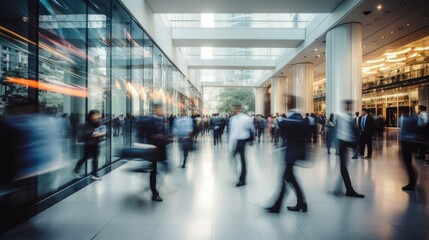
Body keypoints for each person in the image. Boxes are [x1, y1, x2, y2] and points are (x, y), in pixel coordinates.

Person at [266, 95, 308, 213]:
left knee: (285, 178)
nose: (286, 102)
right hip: (292, 153)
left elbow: (295, 136)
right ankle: (301, 203)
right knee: (289, 178)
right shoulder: (295, 117)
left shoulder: (295, 118)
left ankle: (278, 206)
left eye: (288, 101)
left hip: (292, 154)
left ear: (291, 103)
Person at [138, 104, 172, 202]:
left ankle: (154, 186)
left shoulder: (162, 120)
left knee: (161, 168)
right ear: (155, 109)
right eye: (160, 109)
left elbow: (164, 133)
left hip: (161, 148)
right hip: (152, 148)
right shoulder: (149, 121)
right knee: (153, 170)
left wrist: (167, 137)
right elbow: (142, 134)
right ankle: (154, 192)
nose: (162, 111)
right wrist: (152, 139)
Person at [335, 100, 365, 198]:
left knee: (344, 167)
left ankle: (342, 188)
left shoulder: (349, 117)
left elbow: (353, 131)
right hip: (342, 143)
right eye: (348, 105)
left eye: (350, 105)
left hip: (346, 143)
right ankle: (348, 189)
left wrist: (355, 145)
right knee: (343, 167)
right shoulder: (341, 116)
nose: (349, 107)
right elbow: (338, 131)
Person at [73, 109, 105, 180]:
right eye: (96, 115)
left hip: (96, 143)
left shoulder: (98, 123)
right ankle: (76, 170)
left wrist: (101, 134)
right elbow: (83, 134)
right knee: (85, 158)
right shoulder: (86, 124)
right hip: (89, 144)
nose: (97, 116)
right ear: (91, 116)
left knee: (95, 159)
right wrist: (93, 133)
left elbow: (100, 131)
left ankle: (94, 174)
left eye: (98, 114)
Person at [229, 103, 253, 187]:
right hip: (235, 141)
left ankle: (242, 179)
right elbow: (232, 132)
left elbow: (251, 129)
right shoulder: (232, 119)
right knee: (233, 158)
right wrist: (231, 144)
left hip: (242, 141)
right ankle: (239, 176)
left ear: (239, 109)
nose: (233, 110)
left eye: (235, 108)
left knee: (242, 159)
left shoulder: (245, 118)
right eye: (233, 109)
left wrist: (250, 140)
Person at [400, 115, 418, 191]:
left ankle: (412, 183)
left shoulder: (410, 120)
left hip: (407, 143)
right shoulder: (412, 119)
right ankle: (412, 180)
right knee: (407, 163)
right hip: (406, 142)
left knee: (408, 163)